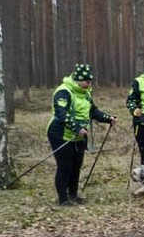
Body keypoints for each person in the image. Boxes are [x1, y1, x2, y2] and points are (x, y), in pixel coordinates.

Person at [47, 64, 116, 206]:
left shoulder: (86, 93)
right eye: (87, 82)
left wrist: (108, 118)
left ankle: (73, 194)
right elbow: (61, 114)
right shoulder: (64, 92)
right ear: (78, 79)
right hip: (60, 134)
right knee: (64, 166)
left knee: (76, 165)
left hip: (79, 135)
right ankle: (63, 199)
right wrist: (76, 128)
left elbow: (93, 111)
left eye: (90, 82)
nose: (89, 85)